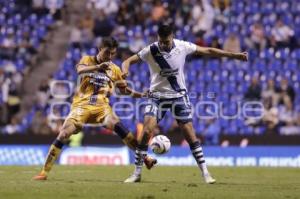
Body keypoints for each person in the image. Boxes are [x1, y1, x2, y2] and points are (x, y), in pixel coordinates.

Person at [122, 24, 248, 184]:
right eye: (161, 41)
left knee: (190, 135)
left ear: (172, 37)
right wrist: (125, 70)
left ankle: (205, 173)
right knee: (146, 131)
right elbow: (128, 61)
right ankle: (137, 173)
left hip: (178, 96)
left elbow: (208, 50)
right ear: (157, 38)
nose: (164, 45)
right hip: (157, 97)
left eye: (166, 42)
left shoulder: (183, 46)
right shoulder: (151, 50)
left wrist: (235, 56)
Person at [33, 37, 156, 180]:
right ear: (99, 49)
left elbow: (124, 90)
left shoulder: (114, 69)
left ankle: (145, 158)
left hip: (101, 108)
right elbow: (80, 70)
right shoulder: (87, 60)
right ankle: (44, 172)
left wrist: (141, 95)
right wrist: (98, 67)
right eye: (107, 53)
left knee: (119, 126)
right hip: (81, 106)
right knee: (63, 134)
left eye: (112, 54)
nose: (109, 57)